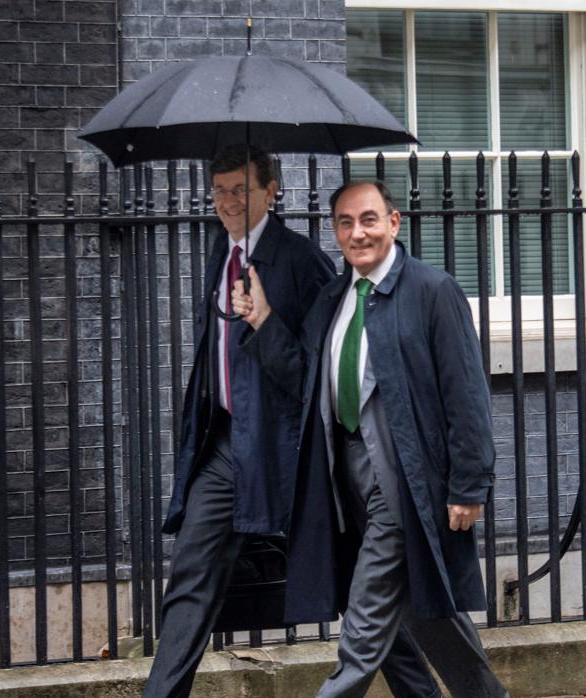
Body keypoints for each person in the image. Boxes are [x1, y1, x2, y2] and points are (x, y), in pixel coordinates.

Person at [145, 150, 440, 698]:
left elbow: (317, 373)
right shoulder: (222, 250)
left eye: (240, 190)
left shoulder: (301, 261)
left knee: (356, 583)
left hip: (287, 452)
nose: (228, 202)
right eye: (219, 191)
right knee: (190, 578)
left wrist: (264, 321)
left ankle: (419, 692)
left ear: (271, 191)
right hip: (225, 444)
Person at [234, 180, 507, 697]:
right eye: (345, 223)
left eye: (368, 219)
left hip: (405, 479)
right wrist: (262, 319)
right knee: (427, 614)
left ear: (394, 222)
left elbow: (466, 393)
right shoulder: (335, 297)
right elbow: (306, 379)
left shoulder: (431, 290)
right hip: (346, 476)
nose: (357, 233)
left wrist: (470, 484)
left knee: (364, 619)